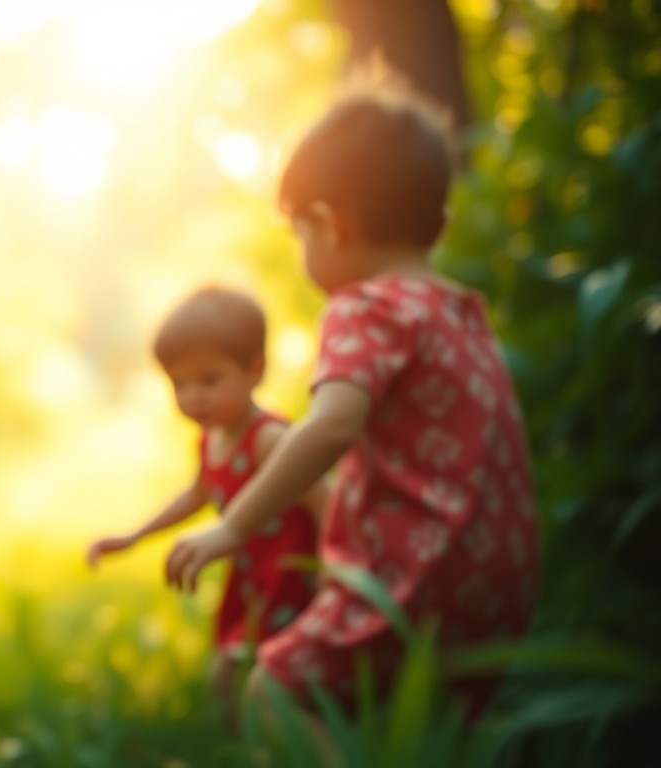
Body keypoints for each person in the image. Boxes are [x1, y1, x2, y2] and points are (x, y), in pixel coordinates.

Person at [164, 79, 540, 729]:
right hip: (504, 576)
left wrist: (233, 526)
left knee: (273, 692)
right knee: (424, 728)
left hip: (411, 573)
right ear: (439, 224)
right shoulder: (462, 311)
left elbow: (332, 424)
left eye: (299, 231)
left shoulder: (366, 305)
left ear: (333, 225)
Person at [87, 286, 325, 714]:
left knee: (256, 678)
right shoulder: (212, 439)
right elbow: (199, 493)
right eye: (179, 384)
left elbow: (325, 503)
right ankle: (252, 748)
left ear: (255, 369)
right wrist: (134, 536)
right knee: (231, 677)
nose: (193, 396)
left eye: (209, 380)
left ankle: (283, 746)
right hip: (252, 580)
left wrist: (339, 569)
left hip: (293, 580)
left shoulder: (269, 438)